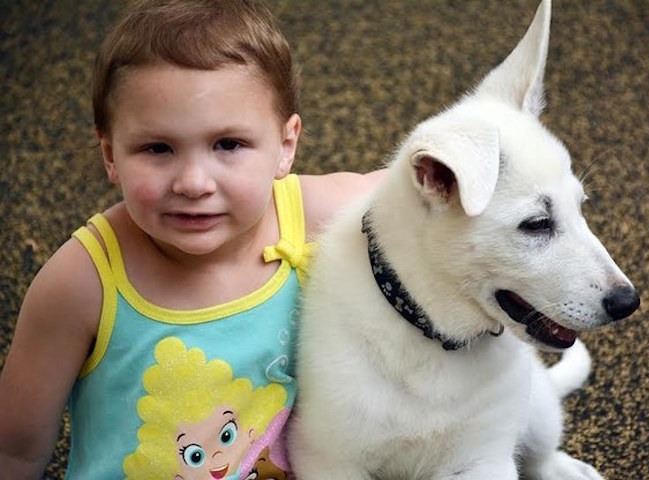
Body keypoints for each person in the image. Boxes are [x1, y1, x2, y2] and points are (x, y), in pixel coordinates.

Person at [0, 0, 382, 478]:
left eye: (228, 145)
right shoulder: (81, 283)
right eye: (158, 148)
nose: (194, 182)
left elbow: (431, 187)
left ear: (286, 146)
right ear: (110, 154)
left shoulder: (313, 214)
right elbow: (14, 450)